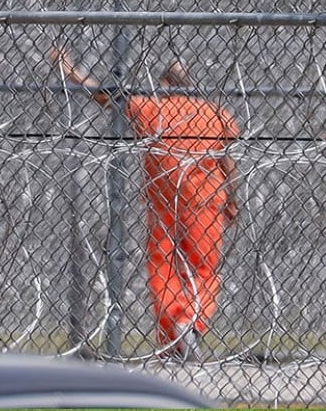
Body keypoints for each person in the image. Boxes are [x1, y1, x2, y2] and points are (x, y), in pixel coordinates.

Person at [48, 46, 240, 360]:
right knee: (204, 269)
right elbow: (228, 162)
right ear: (190, 83)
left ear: (163, 85)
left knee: (163, 268)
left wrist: (70, 71)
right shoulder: (214, 112)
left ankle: (172, 333)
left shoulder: (151, 109)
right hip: (206, 202)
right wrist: (233, 199)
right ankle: (189, 320)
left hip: (163, 204)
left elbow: (104, 96)